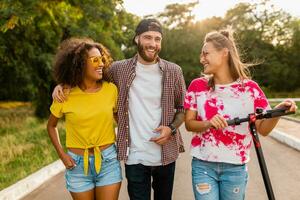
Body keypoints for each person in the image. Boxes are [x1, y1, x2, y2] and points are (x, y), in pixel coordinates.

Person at [52, 18, 186, 200]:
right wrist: (63, 84)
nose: (153, 44)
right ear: (137, 39)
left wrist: (170, 129)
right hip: (135, 157)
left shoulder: (174, 71)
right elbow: (86, 74)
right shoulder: (118, 69)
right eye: (147, 37)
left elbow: (182, 109)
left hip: (166, 155)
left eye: (157, 39)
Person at [184, 29, 297, 200]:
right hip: (203, 165)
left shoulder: (250, 89)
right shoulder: (197, 86)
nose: (201, 59)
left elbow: (263, 130)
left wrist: (278, 111)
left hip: (235, 168)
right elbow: (189, 124)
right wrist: (208, 123)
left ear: (224, 53)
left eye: (206, 54)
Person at [47, 38, 122, 200]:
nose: (101, 63)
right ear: (80, 63)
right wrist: (62, 155)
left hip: (108, 161)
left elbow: (120, 119)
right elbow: (51, 126)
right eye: (95, 60)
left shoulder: (111, 90)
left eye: (102, 59)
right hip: (77, 166)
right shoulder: (65, 94)